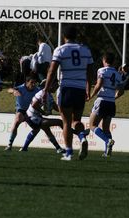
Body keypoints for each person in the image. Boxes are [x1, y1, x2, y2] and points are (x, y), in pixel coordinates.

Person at [43, 25, 95, 161]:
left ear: (64, 36)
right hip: (80, 89)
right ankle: (82, 138)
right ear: (76, 35)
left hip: (66, 88)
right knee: (76, 120)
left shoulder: (60, 50)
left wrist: (46, 89)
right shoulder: (85, 50)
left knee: (66, 122)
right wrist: (88, 88)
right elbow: (90, 72)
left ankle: (69, 153)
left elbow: (52, 71)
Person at [88, 52, 124, 157]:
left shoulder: (102, 70)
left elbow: (99, 85)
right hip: (111, 102)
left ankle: (107, 141)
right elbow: (121, 91)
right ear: (113, 62)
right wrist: (114, 97)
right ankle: (107, 152)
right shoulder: (118, 74)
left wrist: (91, 95)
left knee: (92, 125)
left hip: (102, 100)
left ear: (104, 60)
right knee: (106, 128)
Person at [21, 81, 65, 153]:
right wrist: (44, 112)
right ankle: (76, 133)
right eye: (56, 86)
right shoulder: (42, 93)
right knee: (60, 122)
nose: (56, 88)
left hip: (35, 116)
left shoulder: (49, 95)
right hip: (32, 117)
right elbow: (34, 105)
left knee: (43, 130)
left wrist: (65, 112)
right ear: (50, 86)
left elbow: (55, 107)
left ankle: (58, 149)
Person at [5, 75, 39, 151]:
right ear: (26, 82)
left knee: (37, 129)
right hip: (21, 110)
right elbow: (9, 89)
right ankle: (9, 144)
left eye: (35, 83)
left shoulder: (37, 90)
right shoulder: (20, 88)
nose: (33, 84)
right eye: (31, 82)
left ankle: (25, 147)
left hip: (31, 112)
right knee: (17, 121)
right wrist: (14, 91)